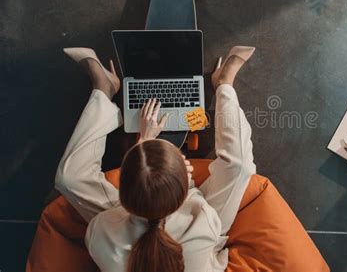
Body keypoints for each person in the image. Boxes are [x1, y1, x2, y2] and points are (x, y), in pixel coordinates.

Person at [55, 46, 257, 272]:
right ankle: (224, 83)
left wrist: (144, 141)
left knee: (69, 178)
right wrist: (185, 183)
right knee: (238, 167)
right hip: (197, 239)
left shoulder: (101, 232)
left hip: (152, 213)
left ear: (122, 194)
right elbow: (194, 205)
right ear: (183, 191)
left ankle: (104, 89)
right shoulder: (204, 225)